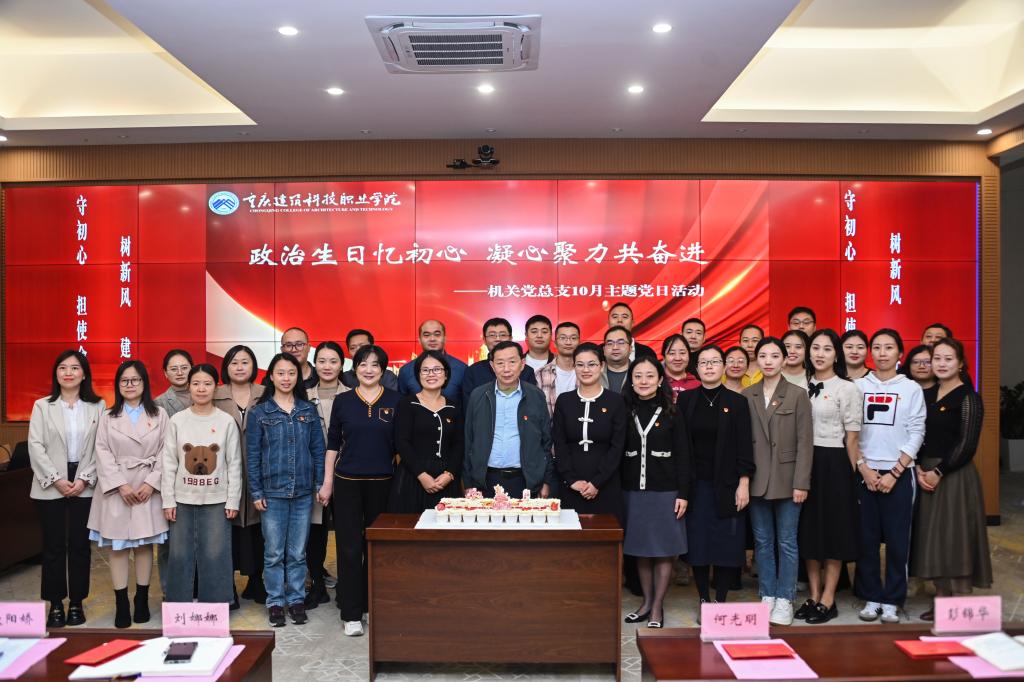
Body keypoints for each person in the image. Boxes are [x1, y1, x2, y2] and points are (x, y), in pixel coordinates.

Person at [320, 344, 400, 637]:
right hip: (347, 483)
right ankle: (351, 612)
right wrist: (327, 483)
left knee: (376, 548)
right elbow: (333, 444)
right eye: (363, 364)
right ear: (354, 369)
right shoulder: (343, 401)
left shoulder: (396, 400)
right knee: (349, 547)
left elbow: (401, 445)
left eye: (375, 365)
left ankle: (371, 604)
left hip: (384, 484)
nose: (368, 370)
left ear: (383, 370)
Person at [910, 338, 991, 620]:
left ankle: (958, 602)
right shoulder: (927, 394)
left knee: (956, 537)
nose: (941, 364)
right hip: (925, 473)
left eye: (948, 359)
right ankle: (941, 598)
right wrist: (918, 467)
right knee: (933, 537)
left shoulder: (968, 397)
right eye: (937, 358)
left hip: (954, 475)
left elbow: (967, 444)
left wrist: (939, 472)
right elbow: (918, 434)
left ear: (960, 364)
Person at [247, 353, 326, 627]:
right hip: (272, 493)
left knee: (297, 552)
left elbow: (317, 450)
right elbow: (253, 455)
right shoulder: (260, 412)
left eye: (291, 373)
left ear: (298, 376)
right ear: (271, 376)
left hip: (303, 492)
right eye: (280, 373)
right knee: (273, 553)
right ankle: (275, 602)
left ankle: (296, 600)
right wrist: (256, 492)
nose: (286, 378)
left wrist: (319, 484)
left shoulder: (308, 410)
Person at [28, 350, 106, 628]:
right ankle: (55, 604)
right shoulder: (42, 406)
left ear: (84, 374)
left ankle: (76, 603)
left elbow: (101, 447)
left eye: (75, 367)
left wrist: (84, 478)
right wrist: (56, 479)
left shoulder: (98, 406)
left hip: (84, 483)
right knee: (53, 546)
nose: (68, 372)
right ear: (56, 374)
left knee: (80, 546)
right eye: (63, 367)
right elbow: (35, 446)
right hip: (50, 484)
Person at [88, 360, 168, 628]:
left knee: (145, 545)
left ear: (144, 383)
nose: (130, 384)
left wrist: (151, 483)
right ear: (118, 385)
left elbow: (166, 451)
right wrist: (120, 484)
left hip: (147, 488)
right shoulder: (108, 416)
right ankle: (121, 602)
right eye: (124, 380)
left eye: (135, 380)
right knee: (118, 546)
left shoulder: (160, 414)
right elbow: (101, 451)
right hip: (117, 490)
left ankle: (141, 600)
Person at [854, 329, 926, 624]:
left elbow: (917, 432)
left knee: (898, 542)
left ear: (900, 353)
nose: (882, 353)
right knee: (866, 540)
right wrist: (864, 468)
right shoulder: (858, 386)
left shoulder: (911, 389)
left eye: (889, 347)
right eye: (877, 347)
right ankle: (871, 597)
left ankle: (893, 599)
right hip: (865, 472)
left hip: (900, 473)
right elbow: (850, 432)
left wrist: (895, 472)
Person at [743, 337, 813, 626]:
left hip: (788, 479)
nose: (768, 361)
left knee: (786, 542)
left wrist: (802, 483)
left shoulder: (797, 394)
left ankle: (785, 597)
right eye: (763, 355)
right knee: (762, 542)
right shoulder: (747, 394)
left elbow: (805, 443)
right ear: (757, 359)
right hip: (757, 479)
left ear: (784, 360)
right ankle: (767, 594)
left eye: (774, 355)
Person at [678, 346, 754, 607]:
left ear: (723, 366)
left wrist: (744, 483)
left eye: (714, 362)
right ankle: (703, 598)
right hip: (696, 485)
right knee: (699, 544)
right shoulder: (686, 400)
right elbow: (681, 446)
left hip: (728, 484)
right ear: (697, 368)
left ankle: (720, 600)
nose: (709, 367)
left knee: (726, 545)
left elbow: (745, 445)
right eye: (703, 362)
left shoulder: (738, 402)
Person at [796, 330, 862, 624]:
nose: (819, 354)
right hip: (803, 461)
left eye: (826, 349)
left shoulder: (847, 388)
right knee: (809, 531)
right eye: (815, 348)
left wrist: (851, 477)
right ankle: (813, 594)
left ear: (836, 354)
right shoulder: (800, 384)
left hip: (834, 463)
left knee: (834, 531)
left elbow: (852, 438)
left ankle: (829, 597)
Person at [162, 365, 242, 605]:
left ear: (215, 387)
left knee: (216, 554)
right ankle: (178, 606)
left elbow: (234, 463)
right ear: (189, 386)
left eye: (207, 383)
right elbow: (169, 462)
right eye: (196, 383)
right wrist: (168, 500)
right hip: (182, 499)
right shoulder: (177, 420)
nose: (201, 388)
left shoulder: (226, 421)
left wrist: (233, 500)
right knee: (179, 554)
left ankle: (216, 606)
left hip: (217, 499)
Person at [620, 355, 689, 628]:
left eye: (650, 376)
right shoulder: (624, 410)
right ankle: (646, 603)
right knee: (641, 550)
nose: (644, 381)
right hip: (633, 492)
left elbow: (684, 455)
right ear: (631, 380)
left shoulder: (672, 411)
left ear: (660, 380)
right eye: (638, 376)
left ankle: (658, 606)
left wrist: (683, 493)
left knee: (663, 550)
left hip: (666, 492)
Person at [211, 344, 266, 608]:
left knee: (259, 531)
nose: (240, 367)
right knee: (226, 531)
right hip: (224, 473)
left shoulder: (265, 394)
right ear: (226, 368)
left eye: (245, 362)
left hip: (259, 472)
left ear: (253, 366)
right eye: (234, 362)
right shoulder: (215, 395)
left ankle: (257, 581)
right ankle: (227, 587)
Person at [463, 341, 554, 499]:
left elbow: (546, 442)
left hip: (525, 480)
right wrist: (468, 482)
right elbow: (469, 441)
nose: (506, 369)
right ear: (492, 366)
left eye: (512, 362)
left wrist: (546, 481)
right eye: (500, 363)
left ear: (522, 364)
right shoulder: (478, 395)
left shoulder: (536, 395)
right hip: (485, 481)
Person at [552, 343, 626, 516]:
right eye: (580, 364)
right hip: (571, 484)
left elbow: (618, 446)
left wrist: (597, 482)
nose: (586, 370)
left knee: (607, 531)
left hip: (607, 483)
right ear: (574, 367)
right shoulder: (564, 401)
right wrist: (571, 480)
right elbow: (559, 443)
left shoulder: (616, 401)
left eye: (592, 364)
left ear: (602, 366)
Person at [305, 341, 348, 608]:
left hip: (346, 473)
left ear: (342, 365)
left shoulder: (353, 395)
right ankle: (317, 584)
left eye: (333, 361)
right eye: (322, 361)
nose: (327, 366)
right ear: (314, 364)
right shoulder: (303, 396)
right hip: (312, 474)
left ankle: (347, 585)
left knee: (345, 531)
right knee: (315, 532)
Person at [393, 350, 463, 511]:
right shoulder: (407, 404)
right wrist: (422, 475)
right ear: (418, 375)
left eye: (437, 369)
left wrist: (449, 474)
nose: (431, 374)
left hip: (446, 479)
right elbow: (401, 442)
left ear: (446, 374)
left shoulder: (453, 407)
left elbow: (459, 444)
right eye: (425, 370)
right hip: (413, 477)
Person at [152, 348, 192, 596]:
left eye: (184, 367)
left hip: (202, 477)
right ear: (165, 373)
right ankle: (170, 590)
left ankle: (197, 587)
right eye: (173, 368)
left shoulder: (208, 394)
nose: (179, 372)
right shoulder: (158, 404)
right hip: (171, 477)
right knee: (170, 539)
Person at [461, 318, 537, 406]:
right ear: (484, 340)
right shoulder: (473, 371)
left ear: (511, 338)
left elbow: (532, 405)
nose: (497, 339)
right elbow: (469, 407)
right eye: (492, 335)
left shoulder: (527, 371)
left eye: (502, 335)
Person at [397, 320, 468, 402]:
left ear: (445, 338)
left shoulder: (462, 369)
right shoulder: (406, 371)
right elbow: (401, 404)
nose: (432, 339)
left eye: (437, 334)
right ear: (419, 340)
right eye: (426, 335)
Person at [536, 322, 581, 415]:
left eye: (573, 338)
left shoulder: (587, 373)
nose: (568, 342)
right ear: (555, 343)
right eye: (563, 338)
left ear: (579, 342)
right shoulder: (540, 374)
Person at [153, 349, 193, 417]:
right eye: (174, 369)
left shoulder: (204, 394)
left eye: (184, 368)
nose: (180, 373)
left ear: (192, 369)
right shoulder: (159, 403)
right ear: (165, 373)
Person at [602, 326, 633, 392]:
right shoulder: (594, 373)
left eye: (621, 343)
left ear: (630, 349)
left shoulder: (639, 373)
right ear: (604, 350)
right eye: (610, 343)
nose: (615, 347)